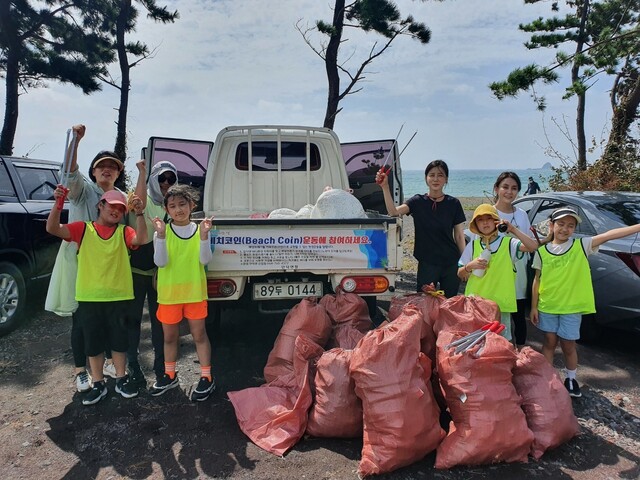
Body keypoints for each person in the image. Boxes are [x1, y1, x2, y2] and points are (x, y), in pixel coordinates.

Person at [46, 189, 148, 405]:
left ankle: (121, 378)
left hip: (119, 297)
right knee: (93, 343)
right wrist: (58, 204)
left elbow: (142, 238)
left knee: (119, 342)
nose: (116, 210)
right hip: (90, 297)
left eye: (121, 208)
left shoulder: (124, 232)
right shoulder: (83, 228)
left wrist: (139, 213)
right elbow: (53, 228)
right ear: (100, 205)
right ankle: (99, 383)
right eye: (111, 205)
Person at [45, 124, 124, 393]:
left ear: (118, 173)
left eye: (112, 167)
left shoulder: (121, 198)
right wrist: (76, 141)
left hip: (107, 267)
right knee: (81, 318)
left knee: (104, 318)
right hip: (78, 261)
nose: (107, 169)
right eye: (102, 166)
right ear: (93, 171)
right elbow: (68, 171)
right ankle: (81, 371)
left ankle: (108, 364)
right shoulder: (83, 190)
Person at [530, 206, 640, 398]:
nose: (565, 229)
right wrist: (533, 307)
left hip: (571, 308)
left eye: (570, 226)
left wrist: (637, 227)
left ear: (574, 229)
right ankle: (546, 378)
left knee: (568, 344)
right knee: (549, 342)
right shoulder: (542, 252)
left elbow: (609, 235)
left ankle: (571, 378)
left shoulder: (581, 245)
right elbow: (537, 280)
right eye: (561, 224)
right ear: (552, 225)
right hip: (547, 305)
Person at [150, 185, 216, 402]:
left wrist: (205, 236)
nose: (178, 210)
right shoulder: (162, 232)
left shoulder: (200, 230)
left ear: (191, 206)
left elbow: (205, 260)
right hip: (169, 295)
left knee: (200, 335)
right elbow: (160, 262)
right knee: (169, 337)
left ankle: (206, 376)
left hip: (195, 293)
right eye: (172, 206)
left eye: (182, 204)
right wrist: (160, 235)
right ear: (167, 210)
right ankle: (169, 375)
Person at [125, 160, 179, 389]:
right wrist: (142, 173)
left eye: (171, 179)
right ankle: (133, 367)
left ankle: (162, 370)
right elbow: (140, 207)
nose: (166, 183)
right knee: (132, 322)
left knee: (160, 324)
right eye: (162, 178)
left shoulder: (174, 205)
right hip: (136, 272)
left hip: (160, 275)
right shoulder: (138, 198)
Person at [376, 160, 466, 297]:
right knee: (424, 302)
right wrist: (385, 187)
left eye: (440, 175)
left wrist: (464, 263)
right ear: (426, 178)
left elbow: (459, 236)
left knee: (451, 304)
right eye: (432, 175)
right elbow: (393, 212)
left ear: (446, 179)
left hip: (451, 263)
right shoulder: (417, 201)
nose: (435, 179)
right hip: (427, 262)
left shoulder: (453, 203)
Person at [458, 204, 538, 341]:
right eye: (480, 220)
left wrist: (512, 229)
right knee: (477, 342)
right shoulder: (473, 245)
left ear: (496, 222)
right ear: (476, 225)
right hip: (476, 304)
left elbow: (532, 247)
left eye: (489, 218)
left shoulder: (509, 244)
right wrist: (470, 266)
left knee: (499, 343)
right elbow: (460, 273)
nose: (485, 222)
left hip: (500, 306)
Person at [471, 172, 532, 347]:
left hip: (518, 271)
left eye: (514, 188)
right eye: (505, 187)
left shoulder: (521, 215)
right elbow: (477, 245)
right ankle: (491, 351)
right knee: (492, 316)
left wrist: (513, 230)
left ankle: (519, 354)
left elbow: (528, 244)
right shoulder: (487, 212)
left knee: (519, 316)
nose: (509, 192)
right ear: (496, 189)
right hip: (493, 275)